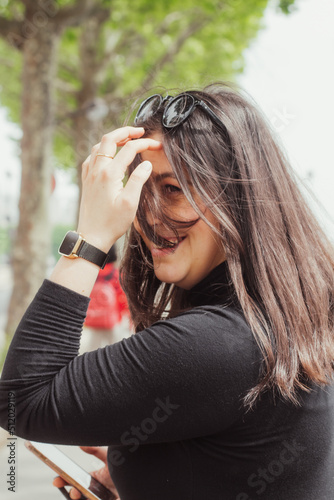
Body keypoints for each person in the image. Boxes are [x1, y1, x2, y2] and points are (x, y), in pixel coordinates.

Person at [0, 83, 334, 500]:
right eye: (141, 192)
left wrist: (90, 236)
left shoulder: (220, 344)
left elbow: (22, 400)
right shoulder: (281, 321)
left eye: (173, 189)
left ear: (237, 199)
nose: (147, 216)